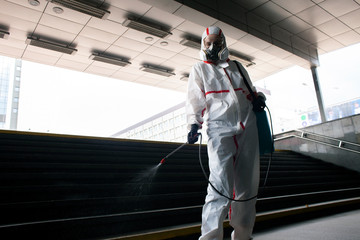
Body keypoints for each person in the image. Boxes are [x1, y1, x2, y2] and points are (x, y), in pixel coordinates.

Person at [186, 26, 264, 240]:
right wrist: (193, 124)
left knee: (247, 190)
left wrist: (259, 98)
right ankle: (210, 237)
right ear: (202, 44)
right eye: (208, 43)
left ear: (224, 44)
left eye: (216, 43)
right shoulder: (199, 69)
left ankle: (243, 236)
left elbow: (251, 91)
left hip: (247, 127)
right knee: (219, 187)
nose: (212, 47)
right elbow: (195, 100)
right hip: (218, 130)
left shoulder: (237, 66)